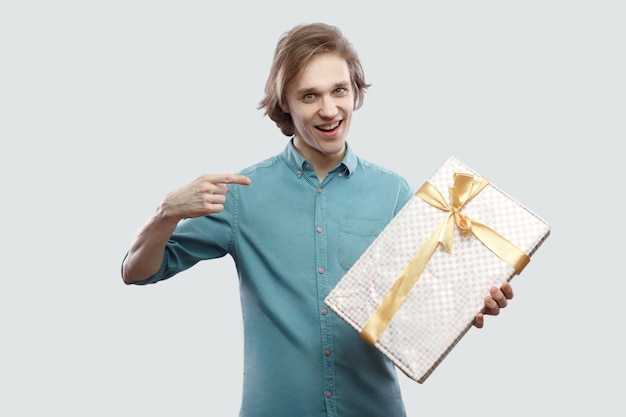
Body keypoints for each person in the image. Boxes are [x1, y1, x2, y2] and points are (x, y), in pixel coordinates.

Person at [121, 22, 514, 417]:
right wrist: (165, 213)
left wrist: (471, 303)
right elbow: (137, 271)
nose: (329, 110)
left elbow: (423, 300)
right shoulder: (241, 193)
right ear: (285, 104)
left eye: (339, 91)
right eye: (310, 96)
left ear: (355, 92)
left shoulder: (392, 191)